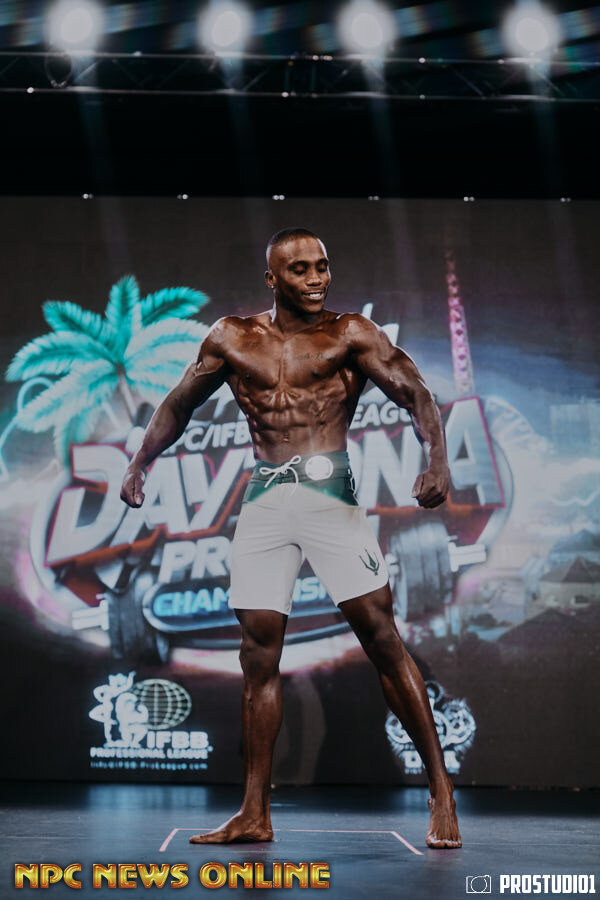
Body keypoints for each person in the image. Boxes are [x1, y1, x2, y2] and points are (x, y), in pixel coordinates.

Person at [120, 227, 462, 849]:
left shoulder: (350, 334)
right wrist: (140, 461)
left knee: (382, 639)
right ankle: (254, 812)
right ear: (272, 278)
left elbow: (415, 392)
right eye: (300, 269)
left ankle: (441, 790)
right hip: (266, 501)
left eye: (322, 267)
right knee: (257, 656)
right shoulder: (231, 337)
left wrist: (436, 459)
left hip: (329, 496)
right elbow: (178, 404)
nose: (315, 279)